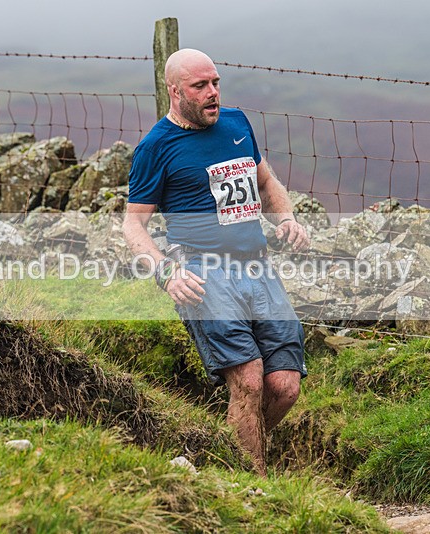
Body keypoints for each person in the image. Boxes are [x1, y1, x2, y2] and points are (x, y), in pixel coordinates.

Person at [122, 48, 310, 476]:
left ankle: (230, 447)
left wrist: (287, 220)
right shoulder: (156, 147)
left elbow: (265, 181)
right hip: (202, 272)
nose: (213, 93)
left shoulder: (236, 123)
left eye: (216, 82)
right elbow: (133, 226)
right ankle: (255, 486)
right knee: (247, 378)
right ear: (174, 91)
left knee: (284, 386)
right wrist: (165, 272)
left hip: (257, 267)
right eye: (200, 86)